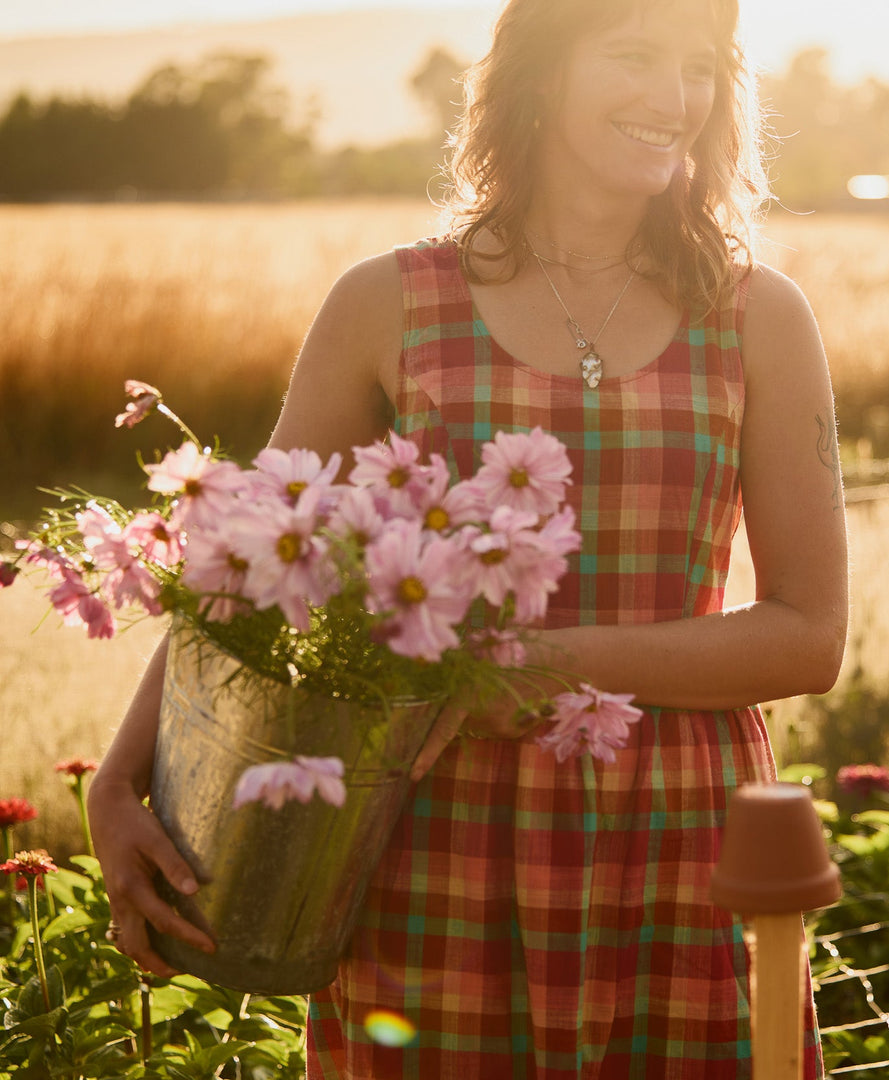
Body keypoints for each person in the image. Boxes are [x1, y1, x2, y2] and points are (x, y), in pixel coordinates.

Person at [88, 0, 849, 1075]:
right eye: (633, 55)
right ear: (539, 72)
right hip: (428, 843)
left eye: (698, 65)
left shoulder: (760, 316)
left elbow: (808, 637)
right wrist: (118, 780)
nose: (675, 98)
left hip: (682, 846)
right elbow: (248, 575)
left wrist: (525, 668)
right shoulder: (387, 304)